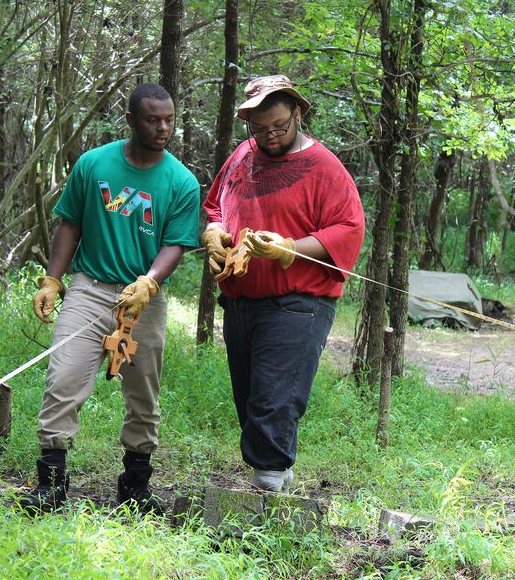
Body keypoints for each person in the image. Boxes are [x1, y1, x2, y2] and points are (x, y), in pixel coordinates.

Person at [18, 83, 200, 514]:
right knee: (62, 381)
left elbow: (175, 243)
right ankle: (52, 483)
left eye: (169, 119)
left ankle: (135, 486)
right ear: (132, 121)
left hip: (144, 300)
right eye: (153, 119)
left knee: (143, 396)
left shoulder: (181, 181)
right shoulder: (93, 164)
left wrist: (150, 282)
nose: (163, 127)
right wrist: (52, 279)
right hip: (90, 289)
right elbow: (70, 224)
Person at [202, 75, 365, 492]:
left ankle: (269, 492)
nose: (269, 136)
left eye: (278, 126)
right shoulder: (242, 154)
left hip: (298, 302)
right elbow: (216, 203)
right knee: (251, 397)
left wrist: (290, 248)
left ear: (298, 113)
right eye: (259, 129)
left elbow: (349, 227)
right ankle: (272, 480)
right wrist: (215, 232)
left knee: (274, 400)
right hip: (240, 299)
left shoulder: (325, 168)